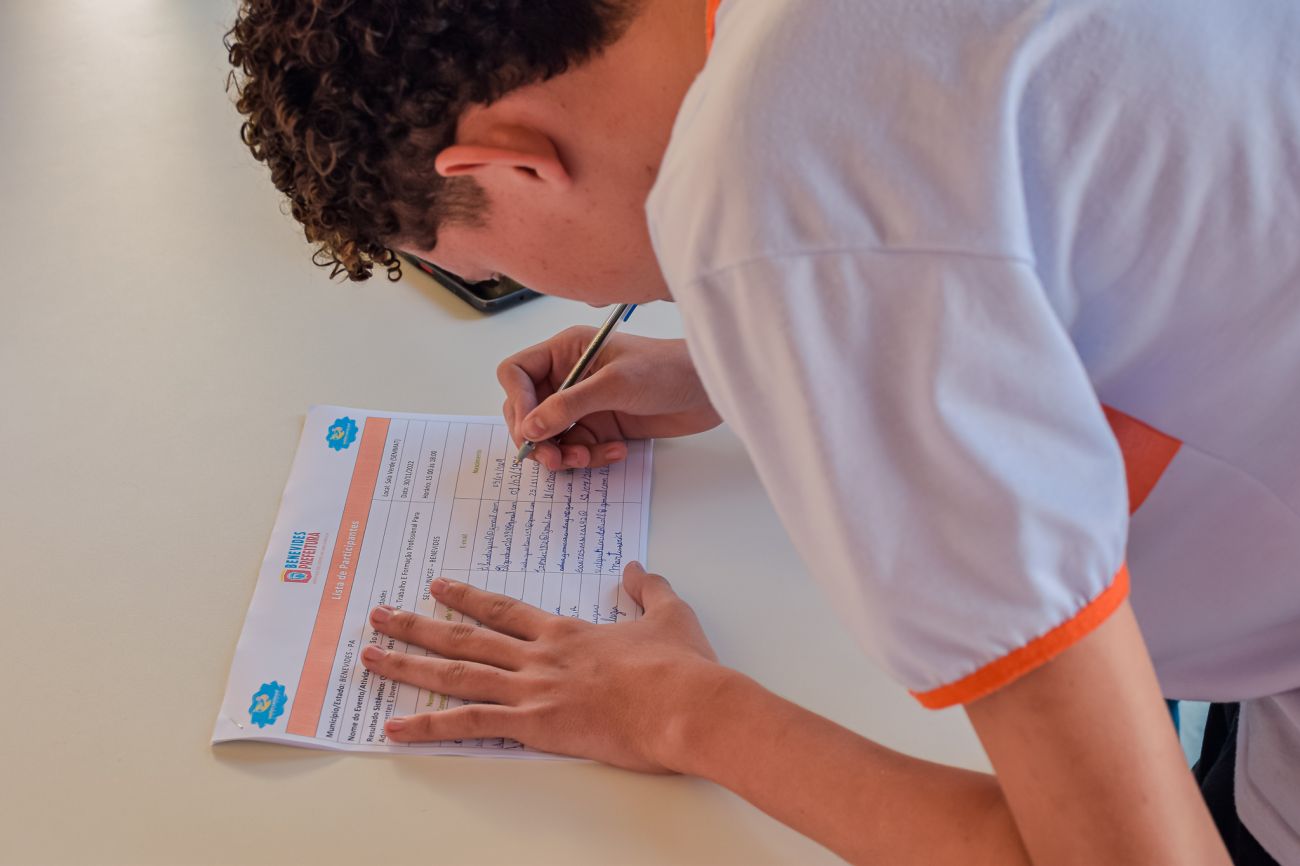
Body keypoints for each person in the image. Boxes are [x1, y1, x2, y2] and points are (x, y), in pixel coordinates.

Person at [226, 0, 1300, 862]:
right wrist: (741, 368)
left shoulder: (773, 195)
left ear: (508, 163)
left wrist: (685, 713)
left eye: (501, 265)